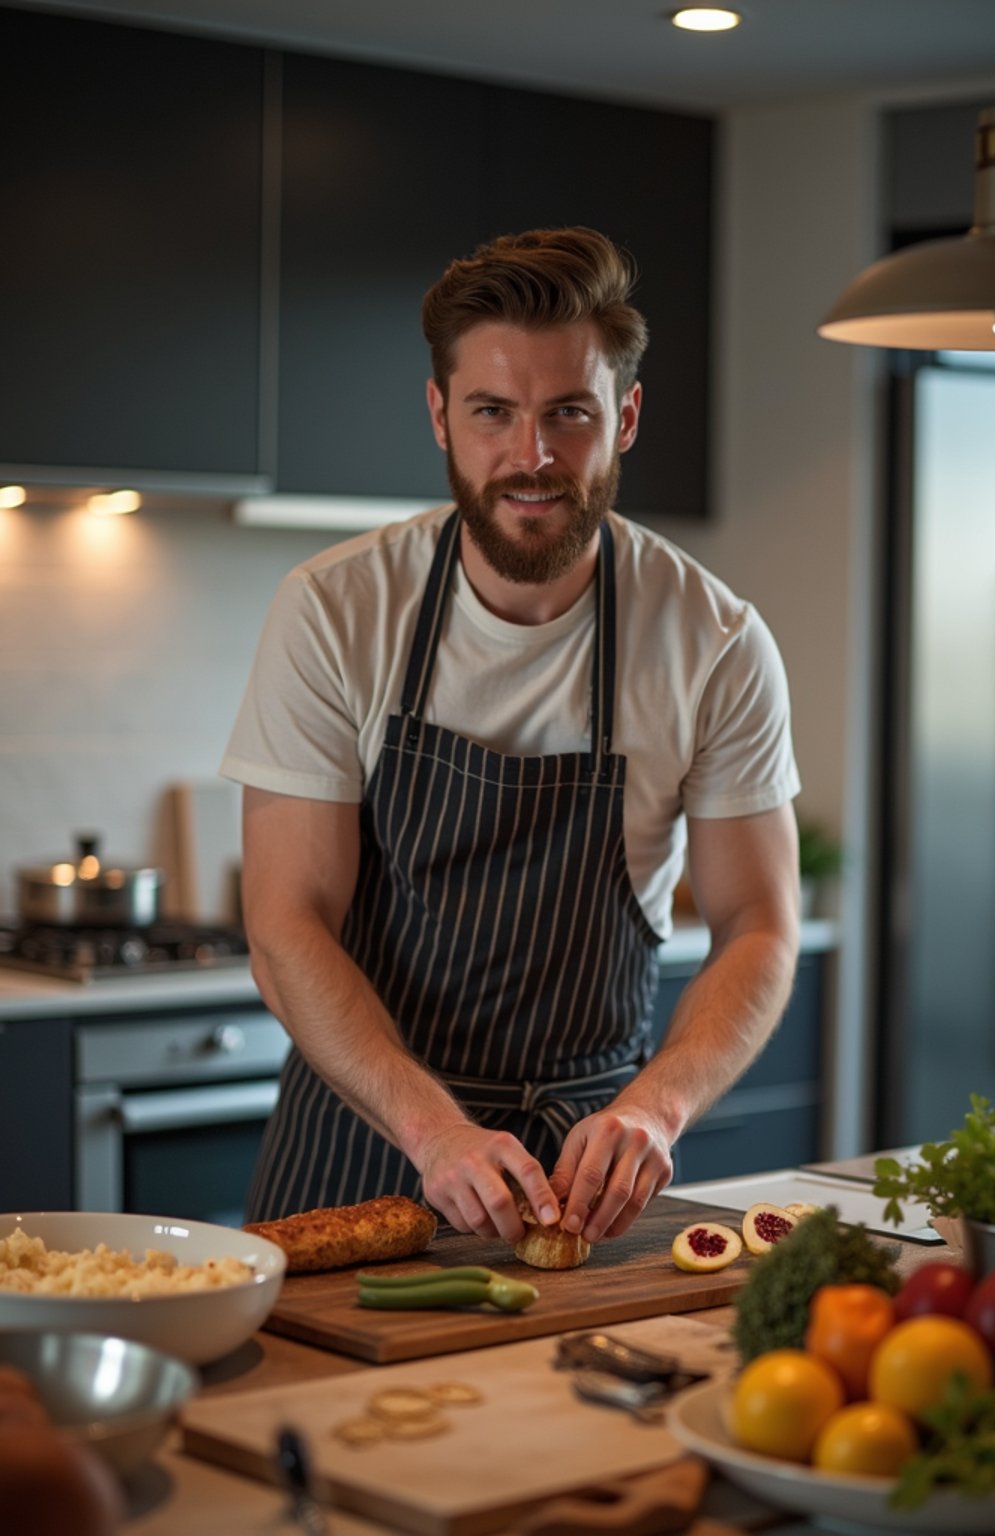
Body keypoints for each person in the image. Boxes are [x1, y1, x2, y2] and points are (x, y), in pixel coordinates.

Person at [221, 225, 801, 1248]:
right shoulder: (334, 610)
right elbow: (286, 924)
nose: (531, 456)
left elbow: (759, 925)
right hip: (367, 1149)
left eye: (568, 414)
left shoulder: (712, 640)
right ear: (441, 416)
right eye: (493, 412)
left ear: (623, 418)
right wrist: (435, 1131)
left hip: (592, 1169)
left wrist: (654, 1110)